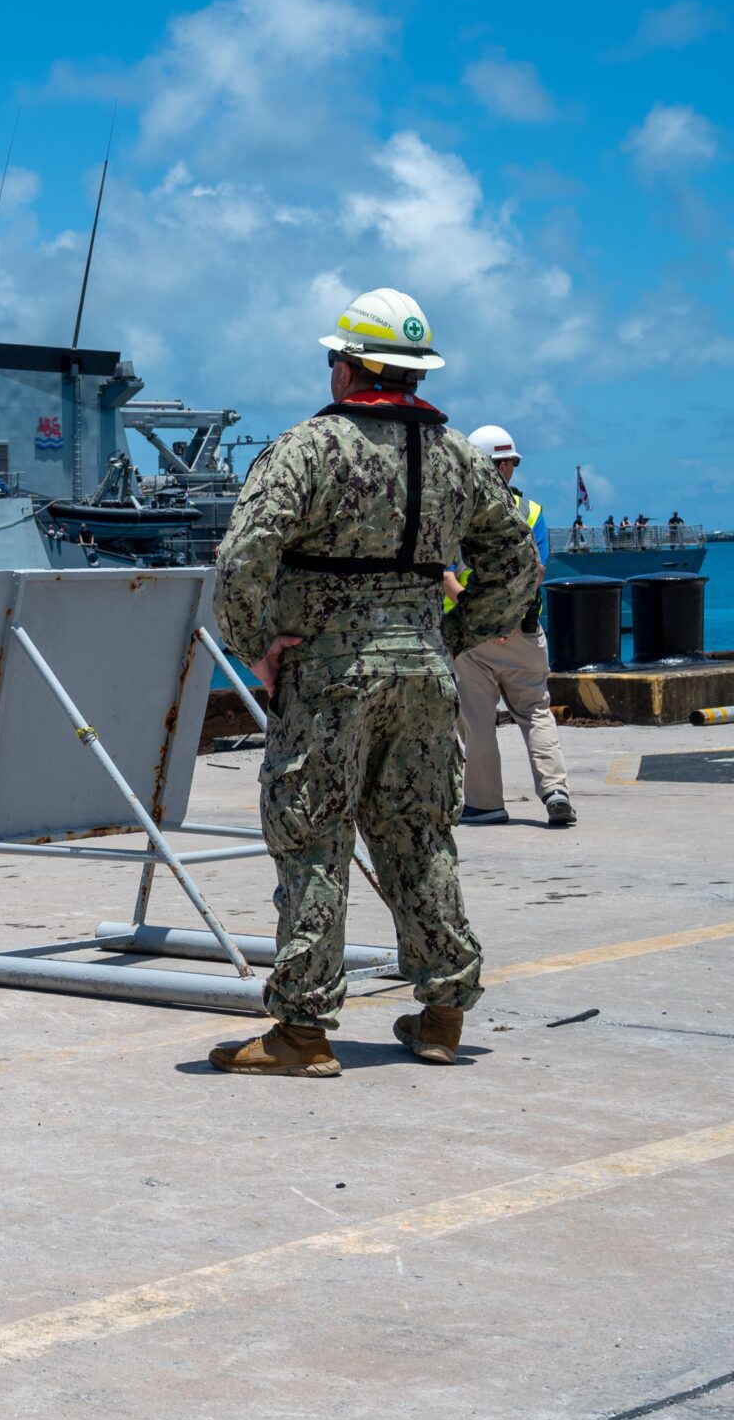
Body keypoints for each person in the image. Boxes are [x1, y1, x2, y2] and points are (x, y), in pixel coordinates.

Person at [207, 286, 538, 1078]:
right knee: (420, 835)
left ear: (349, 368)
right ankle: (444, 1012)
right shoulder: (460, 456)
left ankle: (301, 1032)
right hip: (423, 672)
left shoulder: (308, 450)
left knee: (313, 840)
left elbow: (241, 556)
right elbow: (515, 564)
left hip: (329, 674)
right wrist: (447, 635)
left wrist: (258, 645)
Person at [450, 426, 573, 828]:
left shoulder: (454, 513)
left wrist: (481, 614)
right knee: (536, 711)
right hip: (524, 630)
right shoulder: (531, 512)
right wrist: (506, 613)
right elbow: (536, 572)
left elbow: (444, 575)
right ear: (506, 466)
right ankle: (555, 791)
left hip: (474, 637)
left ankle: (486, 805)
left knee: (477, 720)